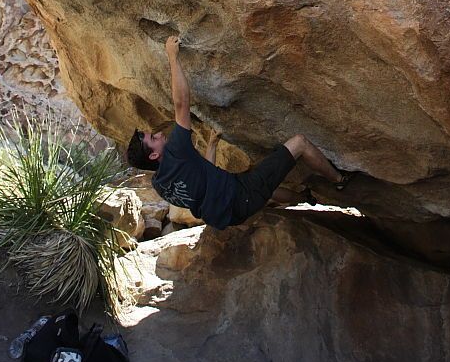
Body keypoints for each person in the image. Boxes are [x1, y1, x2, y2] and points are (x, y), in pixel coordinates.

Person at [127, 36, 352, 231]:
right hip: (240, 196)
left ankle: (305, 198)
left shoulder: (160, 184)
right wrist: (172, 57)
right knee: (300, 143)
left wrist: (212, 146)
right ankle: (340, 180)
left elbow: (202, 181)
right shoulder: (177, 150)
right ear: (154, 155)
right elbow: (181, 104)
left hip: (227, 214)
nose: (158, 135)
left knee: (266, 190)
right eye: (153, 139)